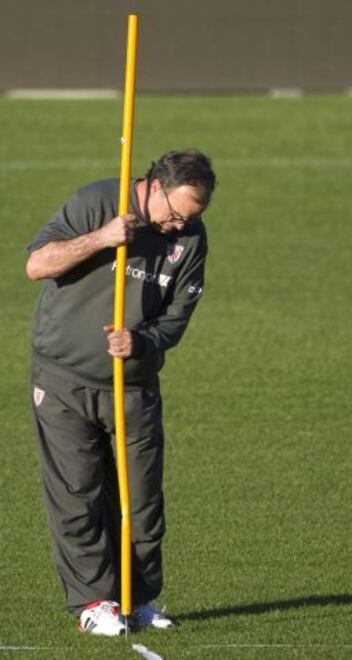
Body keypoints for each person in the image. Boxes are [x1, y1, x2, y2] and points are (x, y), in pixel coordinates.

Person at [26, 149, 216, 636]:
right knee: (78, 493)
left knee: (142, 498)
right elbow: (38, 264)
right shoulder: (97, 201)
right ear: (154, 186)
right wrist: (103, 238)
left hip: (132, 385)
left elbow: (176, 319)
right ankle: (93, 602)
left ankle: (139, 596)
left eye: (189, 219)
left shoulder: (191, 239)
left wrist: (141, 341)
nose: (178, 227)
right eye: (173, 214)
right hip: (63, 379)